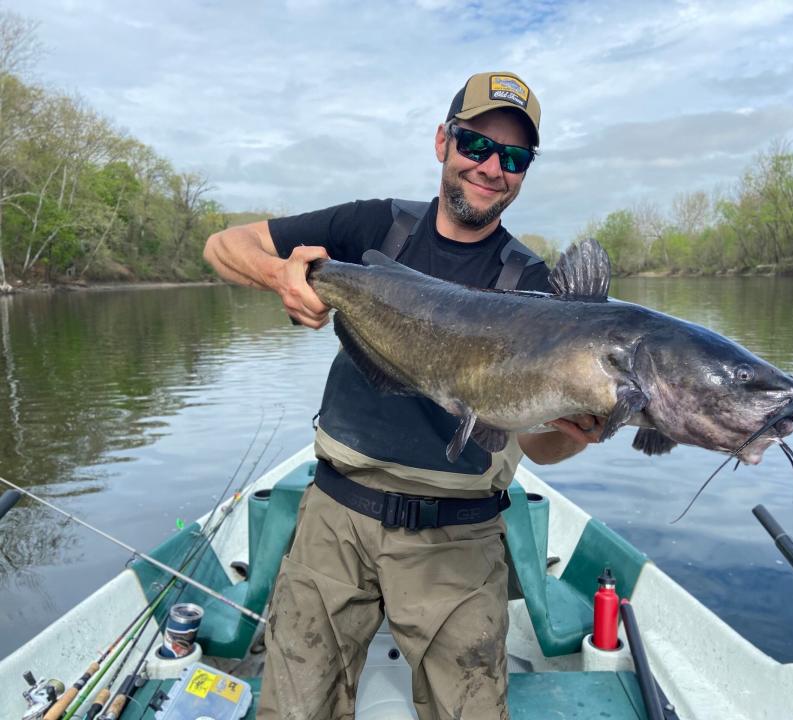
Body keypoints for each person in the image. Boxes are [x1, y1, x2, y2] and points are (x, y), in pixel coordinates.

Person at [204, 71, 604, 720]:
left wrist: (576, 428)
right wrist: (283, 275)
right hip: (336, 514)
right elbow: (225, 247)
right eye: (477, 145)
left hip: (460, 537)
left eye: (514, 157)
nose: (492, 168)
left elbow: (543, 447)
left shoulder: (535, 289)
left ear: (525, 171)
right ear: (443, 141)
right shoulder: (372, 229)